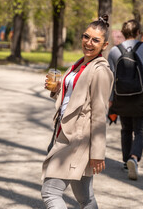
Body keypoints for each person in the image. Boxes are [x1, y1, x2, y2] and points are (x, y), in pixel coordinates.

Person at [41, 15, 113, 208]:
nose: (89, 43)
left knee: (50, 193)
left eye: (95, 40)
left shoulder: (100, 71)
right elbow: (74, 99)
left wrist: (98, 152)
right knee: (85, 198)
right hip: (62, 132)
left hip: (78, 140)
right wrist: (57, 89)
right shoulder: (80, 64)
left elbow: (99, 113)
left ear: (104, 45)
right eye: (86, 37)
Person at [108, 19, 143, 180]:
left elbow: (111, 78)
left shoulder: (114, 51)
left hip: (121, 95)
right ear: (139, 33)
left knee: (126, 129)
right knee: (141, 130)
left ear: (123, 34)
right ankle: (134, 157)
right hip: (142, 95)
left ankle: (126, 161)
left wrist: (111, 99)